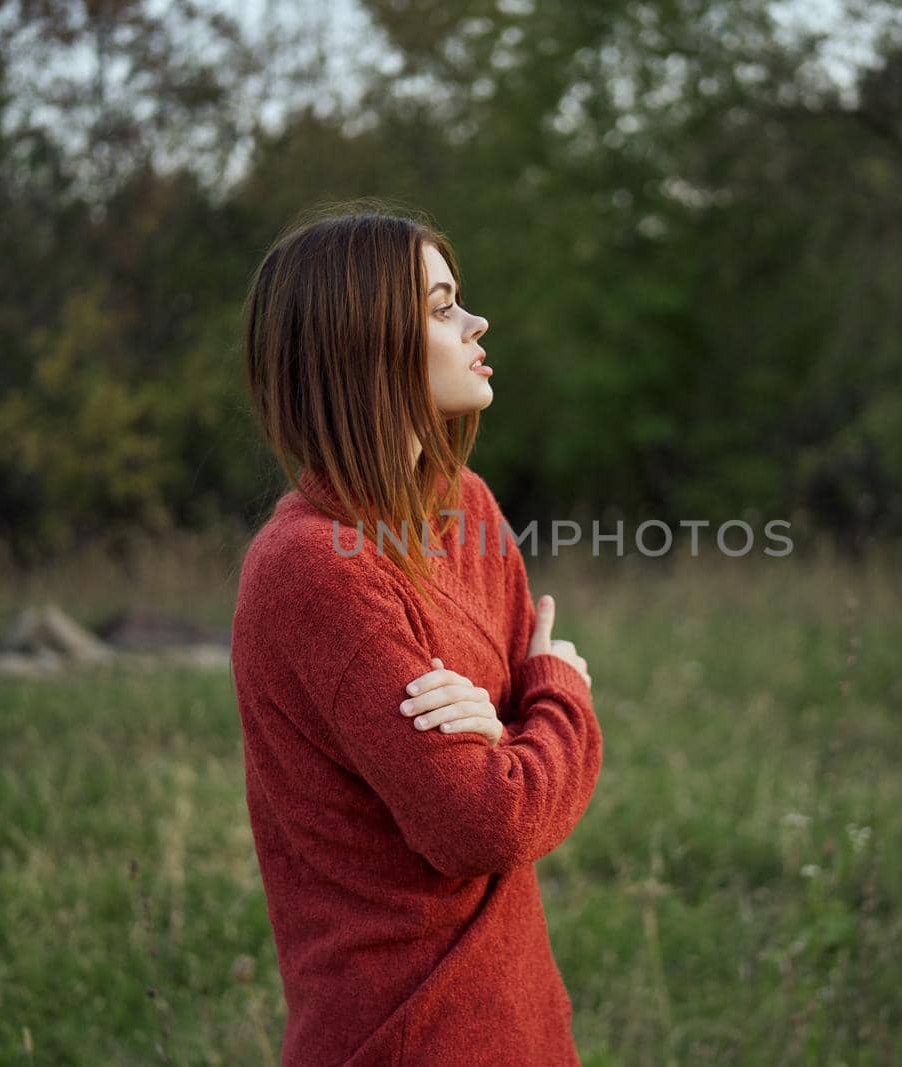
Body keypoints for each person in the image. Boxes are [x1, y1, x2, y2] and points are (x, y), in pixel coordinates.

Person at [231, 205, 604, 1067]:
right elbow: (488, 819)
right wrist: (560, 694)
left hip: (519, 1018)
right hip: (405, 1033)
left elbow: (508, 775)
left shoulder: (463, 507)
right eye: (440, 308)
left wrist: (510, 725)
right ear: (363, 344)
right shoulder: (312, 567)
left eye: (457, 300)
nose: (475, 324)